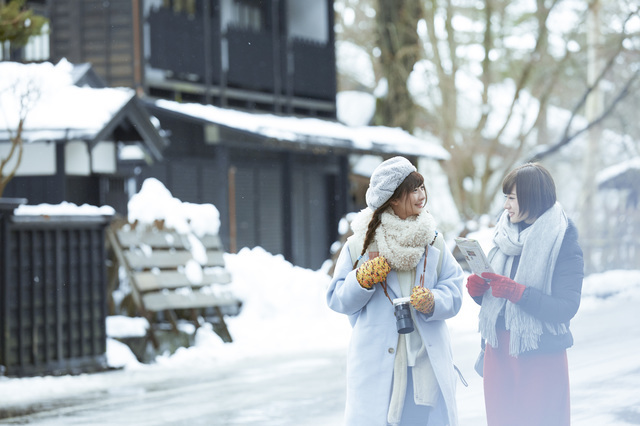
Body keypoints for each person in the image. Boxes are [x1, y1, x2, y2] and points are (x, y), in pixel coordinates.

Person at [327, 156, 465, 426]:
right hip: (379, 365)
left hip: (424, 361)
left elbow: (454, 286)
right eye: (413, 190)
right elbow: (337, 298)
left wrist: (434, 301)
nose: (421, 195)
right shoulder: (361, 244)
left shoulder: (432, 240)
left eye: (422, 188)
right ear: (392, 198)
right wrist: (362, 280)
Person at [466, 163, 584, 426]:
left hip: (539, 354)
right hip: (498, 353)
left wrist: (519, 293)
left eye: (512, 198)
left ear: (532, 198)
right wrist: (479, 291)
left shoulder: (563, 240)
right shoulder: (504, 236)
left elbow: (566, 307)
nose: (505, 206)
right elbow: (499, 298)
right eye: (505, 198)